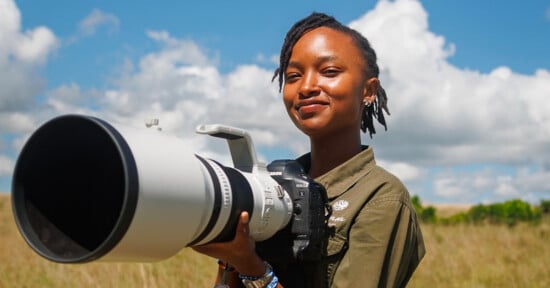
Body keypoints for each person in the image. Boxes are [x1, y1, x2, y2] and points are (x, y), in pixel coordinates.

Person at [193, 12, 425, 288]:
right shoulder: (268, 188)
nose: (306, 87)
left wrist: (253, 268)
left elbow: (251, 270)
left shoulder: (380, 197)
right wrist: (228, 254)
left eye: (329, 72)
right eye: (293, 76)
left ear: (368, 90)